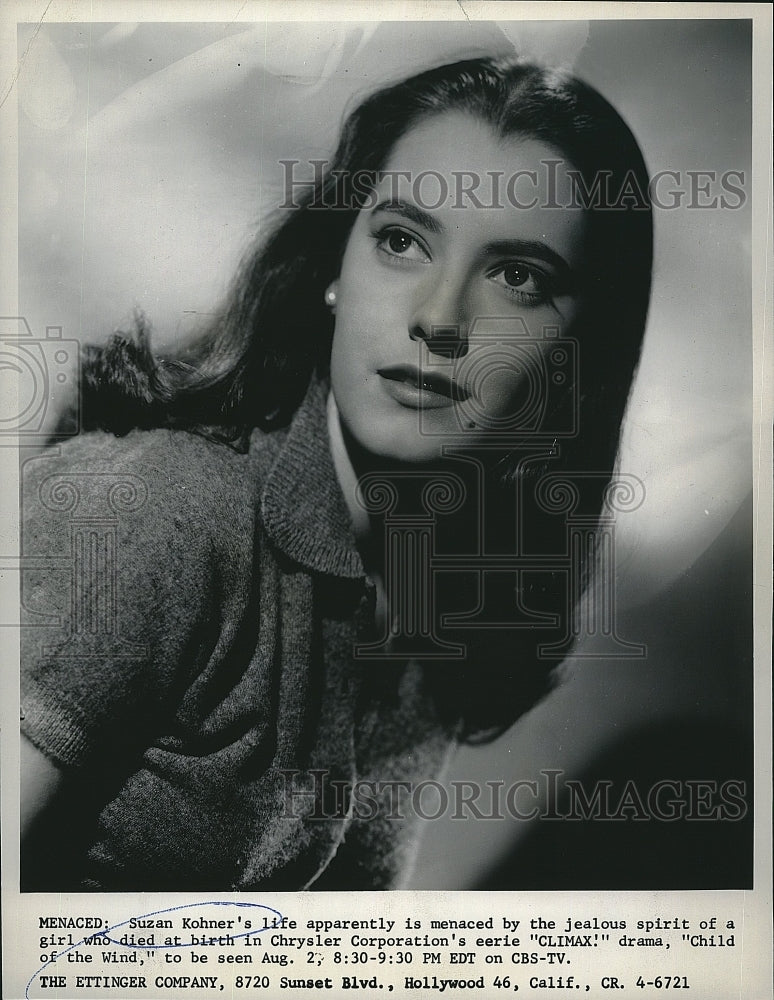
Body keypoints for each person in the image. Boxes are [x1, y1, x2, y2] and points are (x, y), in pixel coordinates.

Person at [19, 56, 652, 891]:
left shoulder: (445, 589)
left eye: (516, 277)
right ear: (333, 266)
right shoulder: (163, 512)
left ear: (578, 354)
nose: (438, 318)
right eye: (401, 240)